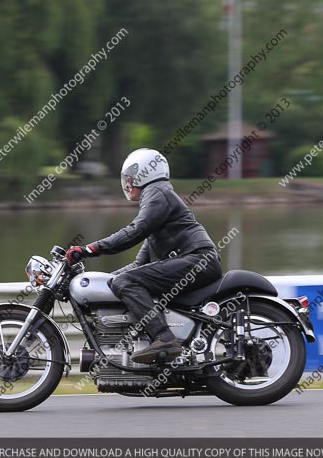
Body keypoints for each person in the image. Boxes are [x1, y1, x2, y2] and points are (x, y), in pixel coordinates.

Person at [66, 148, 222, 364]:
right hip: (196, 261)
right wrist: (105, 281)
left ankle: (165, 338)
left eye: (130, 177)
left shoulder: (158, 192)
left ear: (144, 173)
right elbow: (138, 265)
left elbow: (134, 231)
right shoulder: (158, 197)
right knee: (123, 281)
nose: (127, 183)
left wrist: (89, 249)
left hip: (197, 260)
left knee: (125, 282)